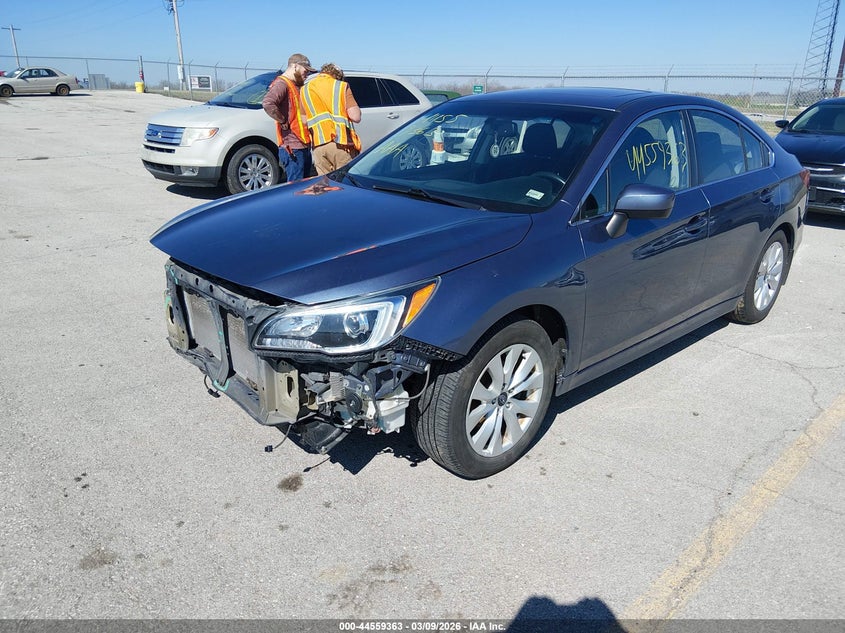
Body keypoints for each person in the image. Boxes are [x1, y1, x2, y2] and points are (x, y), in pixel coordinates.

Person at [262, 53, 316, 181]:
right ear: (295, 66)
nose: (307, 74)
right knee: (295, 190)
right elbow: (268, 103)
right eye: (305, 70)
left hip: (302, 145)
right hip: (292, 148)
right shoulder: (282, 84)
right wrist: (282, 120)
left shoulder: (294, 84)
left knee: (303, 188)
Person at [300, 63, 362, 175]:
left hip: (318, 145)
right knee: (344, 183)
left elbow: (304, 120)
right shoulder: (341, 86)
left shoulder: (305, 90)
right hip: (340, 143)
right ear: (338, 75)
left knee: (325, 186)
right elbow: (355, 117)